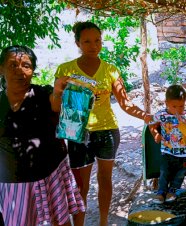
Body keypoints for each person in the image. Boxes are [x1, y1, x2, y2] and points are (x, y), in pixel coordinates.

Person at [54, 21, 151, 226]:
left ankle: (103, 222)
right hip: (77, 132)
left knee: (105, 180)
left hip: (107, 131)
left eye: (97, 40)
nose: (93, 45)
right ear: (78, 43)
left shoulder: (110, 70)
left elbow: (125, 103)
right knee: (81, 185)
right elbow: (57, 103)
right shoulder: (65, 70)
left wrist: (145, 116)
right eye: (87, 41)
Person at [0, 45, 85, 226]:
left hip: (50, 175)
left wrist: (59, 92)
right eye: (13, 65)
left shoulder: (41, 94)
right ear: (1, 69)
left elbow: (55, 103)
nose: (20, 71)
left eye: (26, 65)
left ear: (33, 71)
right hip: (14, 184)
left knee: (60, 222)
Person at [149, 84, 186, 204]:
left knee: (180, 175)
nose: (178, 109)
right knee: (164, 172)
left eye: (181, 106)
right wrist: (155, 134)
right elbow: (151, 124)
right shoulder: (161, 115)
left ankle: (173, 191)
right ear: (166, 103)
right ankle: (161, 192)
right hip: (168, 152)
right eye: (174, 106)